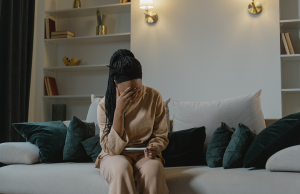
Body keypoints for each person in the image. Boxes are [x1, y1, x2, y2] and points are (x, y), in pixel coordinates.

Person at [94, 49, 169, 194]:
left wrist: (154, 147)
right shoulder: (105, 105)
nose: (134, 96)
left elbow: (161, 136)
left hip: (144, 156)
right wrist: (119, 111)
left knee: (153, 169)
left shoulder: (154, 97)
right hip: (114, 156)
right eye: (128, 92)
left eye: (137, 90)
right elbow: (112, 149)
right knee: (122, 168)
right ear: (115, 83)